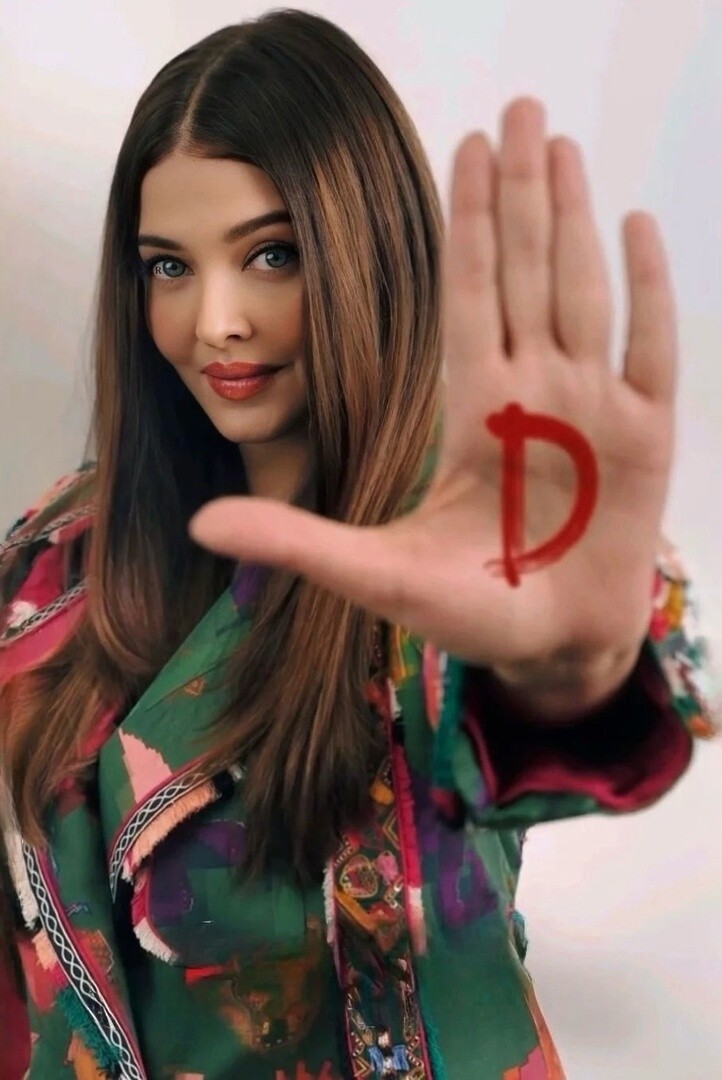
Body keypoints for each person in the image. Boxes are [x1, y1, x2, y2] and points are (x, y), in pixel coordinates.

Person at [0, 8, 717, 1079]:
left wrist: (571, 665)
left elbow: (540, 712)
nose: (216, 322)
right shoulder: (60, 549)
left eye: (271, 255)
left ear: (364, 250)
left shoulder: (441, 556)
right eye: (169, 268)